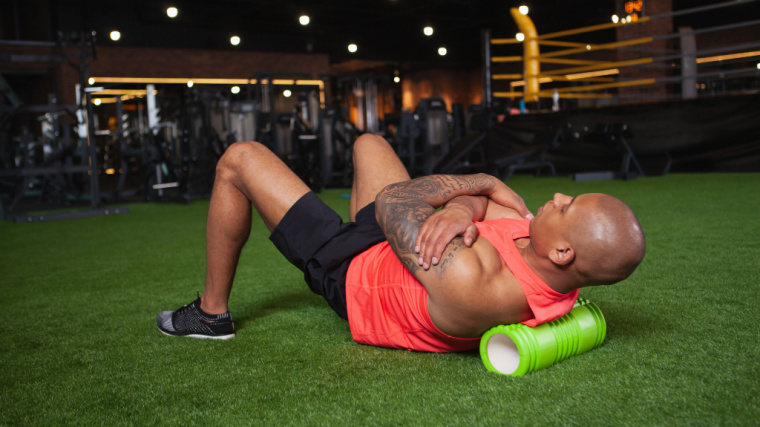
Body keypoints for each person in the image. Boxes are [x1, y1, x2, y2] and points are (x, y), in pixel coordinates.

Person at [157, 134, 645, 352]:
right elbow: (478, 207)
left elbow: (394, 201)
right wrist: (459, 208)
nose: (556, 196)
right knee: (370, 143)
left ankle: (211, 313)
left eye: (568, 204)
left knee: (240, 158)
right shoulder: (536, 239)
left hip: (352, 273)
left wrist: (483, 180)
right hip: (398, 239)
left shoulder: (473, 283)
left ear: (565, 253)